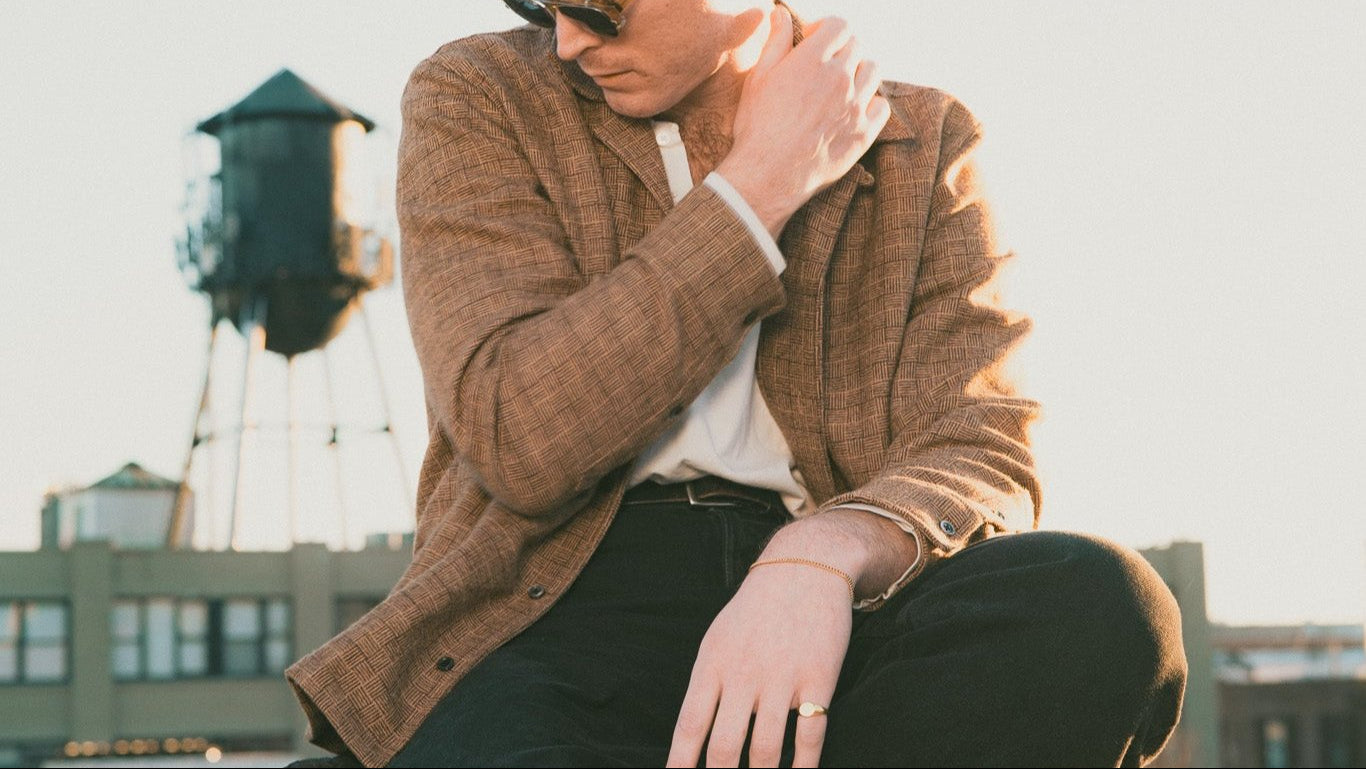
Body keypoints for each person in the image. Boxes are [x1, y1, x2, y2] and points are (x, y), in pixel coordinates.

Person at [284, 1, 1187, 766]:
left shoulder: (924, 141)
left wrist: (823, 553)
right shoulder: (485, 94)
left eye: (599, 5)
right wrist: (762, 183)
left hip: (839, 619)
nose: (568, 39)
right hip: (548, 613)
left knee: (1102, 606)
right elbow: (518, 432)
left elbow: (982, 444)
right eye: (539, 3)